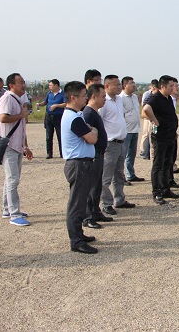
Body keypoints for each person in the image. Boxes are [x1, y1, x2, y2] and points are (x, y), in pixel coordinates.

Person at [61, 81, 99, 254]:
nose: (86, 98)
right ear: (73, 97)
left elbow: (89, 134)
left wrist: (91, 131)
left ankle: (79, 234)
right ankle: (76, 241)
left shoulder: (76, 115)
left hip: (82, 163)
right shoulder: (74, 118)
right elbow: (92, 138)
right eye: (84, 95)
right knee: (76, 204)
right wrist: (93, 131)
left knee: (81, 202)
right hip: (78, 164)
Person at [0, 73, 33, 226]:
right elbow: (3, 118)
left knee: (10, 179)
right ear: (11, 85)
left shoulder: (18, 99)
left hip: (17, 146)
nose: (23, 85)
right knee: (13, 179)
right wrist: (20, 115)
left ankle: (7, 209)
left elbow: (21, 127)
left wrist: (26, 146)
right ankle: (14, 214)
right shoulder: (7, 98)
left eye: (24, 82)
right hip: (9, 146)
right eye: (20, 82)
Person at [99, 75, 136, 215]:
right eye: (115, 84)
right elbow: (99, 122)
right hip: (110, 143)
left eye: (119, 84)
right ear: (107, 86)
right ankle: (106, 203)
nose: (118, 87)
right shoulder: (104, 102)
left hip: (121, 142)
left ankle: (119, 199)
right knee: (106, 176)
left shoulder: (119, 100)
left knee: (119, 174)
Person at [142, 75, 179, 205]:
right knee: (158, 165)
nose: (173, 88)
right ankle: (156, 192)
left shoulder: (168, 98)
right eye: (170, 86)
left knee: (167, 164)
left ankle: (165, 189)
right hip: (160, 137)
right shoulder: (156, 98)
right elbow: (146, 109)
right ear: (162, 86)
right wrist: (154, 120)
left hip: (170, 136)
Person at [82, 83, 113, 229]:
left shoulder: (95, 112)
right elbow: (86, 136)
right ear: (93, 97)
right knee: (91, 187)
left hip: (99, 153)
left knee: (97, 186)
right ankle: (88, 217)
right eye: (103, 96)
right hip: (92, 155)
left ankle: (96, 211)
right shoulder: (88, 113)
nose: (105, 99)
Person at [119, 76, 144, 182]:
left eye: (134, 82)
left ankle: (131, 174)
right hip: (126, 130)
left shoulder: (134, 97)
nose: (133, 85)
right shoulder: (120, 98)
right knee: (123, 155)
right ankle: (121, 177)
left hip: (135, 129)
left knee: (131, 154)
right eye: (131, 83)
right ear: (125, 85)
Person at [34, 79, 65, 158]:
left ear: (56, 85)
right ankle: (49, 153)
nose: (49, 87)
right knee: (48, 136)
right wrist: (39, 104)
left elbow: (66, 104)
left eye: (51, 85)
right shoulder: (49, 93)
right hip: (49, 117)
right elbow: (45, 102)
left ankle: (62, 153)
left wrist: (56, 105)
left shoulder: (63, 94)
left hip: (58, 117)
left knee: (60, 136)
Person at [139, 79, 158, 160]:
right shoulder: (148, 96)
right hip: (149, 120)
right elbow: (144, 110)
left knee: (153, 139)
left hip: (155, 121)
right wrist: (153, 118)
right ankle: (144, 152)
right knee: (146, 135)